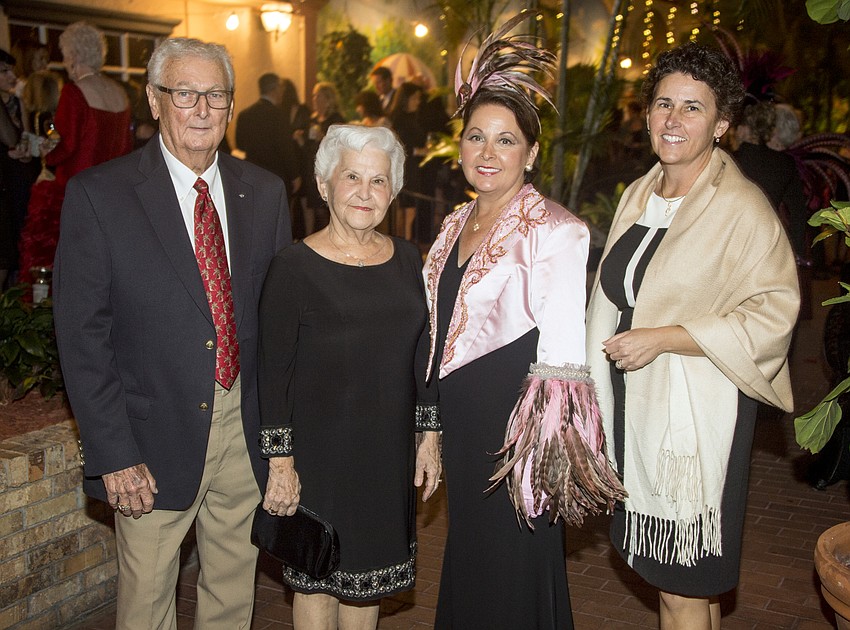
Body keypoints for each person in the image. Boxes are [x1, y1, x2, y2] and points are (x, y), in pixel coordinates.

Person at [52, 37, 291, 629]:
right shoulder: (98, 196)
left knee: (234, 591)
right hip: (150, 437)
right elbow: (82, 339)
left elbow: (283, 324)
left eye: (215, 95)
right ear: (155, 102)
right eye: (185, 94)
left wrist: (282, 442)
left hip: (243, 424)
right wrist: (115, 454)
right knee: (148, 599)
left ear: (231, 105)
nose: (202, 109)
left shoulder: (263, 193)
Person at [585, 43, 800, 630]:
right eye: (663, 104)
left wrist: (669, 337)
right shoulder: (641, 194)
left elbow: (774, 314)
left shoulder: (740, 208)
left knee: (681, 582)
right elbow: (613, 293)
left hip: (697, 421)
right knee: (680, 586)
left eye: (692, 108)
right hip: (637, 405)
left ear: (722, 124)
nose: (673, 121)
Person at [421, 13, 623, 629]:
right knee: (472, 562)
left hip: (515, 439)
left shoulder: (557, 231)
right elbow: (440, 333)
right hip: (461, 426)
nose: (487, 153)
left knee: (512, 570)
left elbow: (563, 355)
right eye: (476, 136)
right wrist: (430, 426)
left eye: (505, 140)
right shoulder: (455, 223)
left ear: (531, 153)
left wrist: (542, 458)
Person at [258, 124, 440, 629]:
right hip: (318, 458)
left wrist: (429, 436)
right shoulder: (293, 267)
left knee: (368, 586)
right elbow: (273, 375)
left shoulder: (407, 260)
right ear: (323, 185)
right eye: (352, 176)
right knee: (317, 580)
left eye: (379, 180)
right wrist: (280, 464)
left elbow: (422, 354)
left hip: (386, 453)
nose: (365, 192)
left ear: (394, 190)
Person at [18, 21, 133, 284]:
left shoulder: (74, 92)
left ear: (74, 56)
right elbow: (126, 149)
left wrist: (47, 154)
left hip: (75, 192)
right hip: (113, 196)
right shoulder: (119, 93)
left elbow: (66, 148)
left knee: (62, 268)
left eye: (65, 54)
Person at [734, 101, 807, 255]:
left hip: (729, 245)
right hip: (765, 247)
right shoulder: (785, 164)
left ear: (743, 130)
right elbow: (798, 214)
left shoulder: (727, 160)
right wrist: (795, 254)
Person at [236, 72, 299, 197]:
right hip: (277, 175)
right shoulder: (279, 115)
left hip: (253, 173)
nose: (282, 92)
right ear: (274, 89)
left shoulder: (244, 115)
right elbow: (285, 147)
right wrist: (295, 175)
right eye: (281, 88)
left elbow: (240, 145)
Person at [297, 82, 345, 235]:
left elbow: (340, 145)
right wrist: (301, 140)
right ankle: (309, 236)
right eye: (314, 96)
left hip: (327, 168)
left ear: (328, 99)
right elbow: (309, 146)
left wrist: (322, 137)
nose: (315, 99)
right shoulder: (313, 119)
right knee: (308, 204)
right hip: (310, 166)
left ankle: (329, 236)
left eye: (318, 96)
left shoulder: (336, 119)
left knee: (322, 207)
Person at [388, 82, 427, 241]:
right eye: (415, 98)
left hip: (410, 168)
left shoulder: (410, 117)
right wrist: (421, 151)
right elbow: (402, 146)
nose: (418, 101)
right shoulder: (401, 120)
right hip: (406, 168)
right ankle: (404, 244)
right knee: (407, 211)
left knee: (406, 211)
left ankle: (402, 243)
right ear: (406, 99)